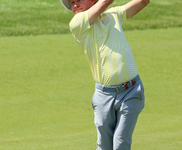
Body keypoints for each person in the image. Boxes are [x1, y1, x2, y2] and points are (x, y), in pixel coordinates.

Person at [60, 0, 150, 149]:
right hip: (104, 96)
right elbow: (105, 2)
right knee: (104, 145)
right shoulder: (77, 23)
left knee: (120, 143)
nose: (75, 4)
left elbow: (143, 2)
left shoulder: (114, 14)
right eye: (72, 2)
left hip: (131, 91)